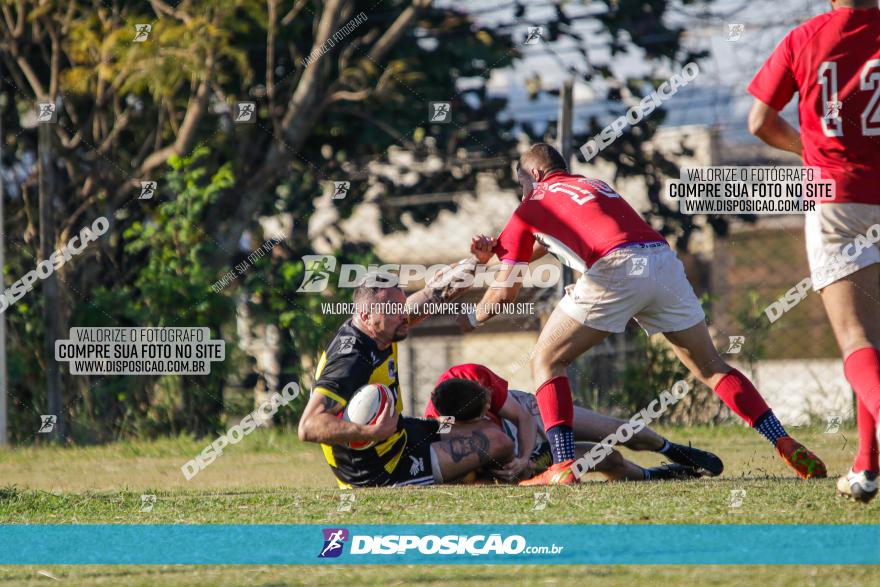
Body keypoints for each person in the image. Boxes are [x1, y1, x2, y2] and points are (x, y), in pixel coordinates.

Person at [460, 143, 827, 485]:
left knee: (546, 360)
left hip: (616, 268)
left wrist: (470, 319)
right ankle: (781, 440)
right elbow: (551, 239)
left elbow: (505, 292)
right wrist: (495, 252)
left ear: (535, 176)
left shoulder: (531, 202)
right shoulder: (593, 185)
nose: (521, 190)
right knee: (712, 367)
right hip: (659, 259)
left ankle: (562, 465)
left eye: (521, 182)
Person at [747, 0, 880, 502]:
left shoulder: (806, 37)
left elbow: (760, 120)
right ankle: (866, 468)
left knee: (856, 339)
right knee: (875, 341)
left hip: (837, 197)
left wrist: (811, 150)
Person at [298, 269, 514, 487]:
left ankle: (478, 475)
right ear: (366, 316)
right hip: (380, 470)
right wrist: (371, 432)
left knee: (480, 425)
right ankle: (495, 481)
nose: (403, 315)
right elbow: (308, 426)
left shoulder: (381, 327)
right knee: (498, 442)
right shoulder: (351, 360)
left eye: (401, 306)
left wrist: (477, 262)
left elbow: (429, 296)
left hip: (402, 434)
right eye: (394, 309)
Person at [425, 363, 724, 483]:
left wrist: (524, 456)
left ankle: (671, 449)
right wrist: (520, 469)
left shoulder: (469, 376)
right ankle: (655, 476)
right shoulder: (447, 434)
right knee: (608, 458)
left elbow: (521, 416)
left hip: (528, 418)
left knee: (615, 430)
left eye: (490, 397)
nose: (492, 402)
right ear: (465, 422)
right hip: (514, 455)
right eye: (487, 407)